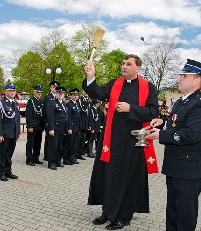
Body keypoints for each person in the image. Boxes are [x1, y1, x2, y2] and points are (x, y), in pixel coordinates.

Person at [83, 54, 159, 230]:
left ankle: (124, 217)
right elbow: (98, 93)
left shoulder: (148, 87)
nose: (124, 66)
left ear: (138, 68)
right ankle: (107, 212)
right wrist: (90, 76)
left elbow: (153, 111)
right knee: (108, 175)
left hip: (133, 141)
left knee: (127, 178)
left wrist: (130, 108)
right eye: (123, 64)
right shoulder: (114, 83)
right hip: (111, 139)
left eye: (128, 64)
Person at [146, 59, 201, 231]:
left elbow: (192, 134)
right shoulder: (182, 101)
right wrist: (162, 122)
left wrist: (162, 134)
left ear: (197, 80)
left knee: (184, 215)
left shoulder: (200, 105)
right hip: (176, 165)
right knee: (173, 212)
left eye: (184, 75)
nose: (179, 78)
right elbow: (176, 123)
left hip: (189, 169)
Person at [0, 84, 20, 181]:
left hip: (13, 133)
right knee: (2, 153)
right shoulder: (1, 103)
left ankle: (8, 171)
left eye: (14, 91)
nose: (12, 92)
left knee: (9, 154)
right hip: (4, 133)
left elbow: (17, 119)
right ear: (5, 92)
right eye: (10, 91)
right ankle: (1, 173)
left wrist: (17, 133)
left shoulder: (16, 104)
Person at [46, 86, 68, 170]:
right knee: (53, 147)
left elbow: (65, 116)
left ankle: (57, 161)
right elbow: (50, 117)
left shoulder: (63, 104)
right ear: (56, 93)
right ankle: (51, 163)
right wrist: (51, 128)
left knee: (59, 147)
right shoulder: (52, 103)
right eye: (59, 93)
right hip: (55, 128)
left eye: (62, 93)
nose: (60, 95)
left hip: (62, 129)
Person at [25, 86, 45, 166]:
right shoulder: (31, 101)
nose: (39, 94)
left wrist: (43, 126)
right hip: (33, 126)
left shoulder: (41, 101)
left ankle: (35, 157)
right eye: (38, 93)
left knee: (38, 143)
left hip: (39, 126)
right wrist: (30, 126)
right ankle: (29, 159)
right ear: (34, 92)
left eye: (40, 93)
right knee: (30, 143)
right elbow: (28, 115)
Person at [42, 80, 60, 161]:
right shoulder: (47, 97)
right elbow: (44, 110)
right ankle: (47, 155)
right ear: (50, 88)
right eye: (54, 87)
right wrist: (46, 121)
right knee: (49, 139)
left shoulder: (58, 97)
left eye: (56, 87)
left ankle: (53, 155)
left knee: (54, 140)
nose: (55, 88)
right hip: (49, 122)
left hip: (57, 123)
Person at [64, 88, 81, 165]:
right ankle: (66, 159)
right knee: (68, 144)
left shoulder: (77, 104)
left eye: (76, 95)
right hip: (71, 127)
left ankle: (72, 157)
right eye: (74, 95)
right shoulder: (69, 105)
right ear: (70, 95)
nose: (75, 96)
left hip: (77, 128)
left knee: (75, 144)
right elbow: (68, 118)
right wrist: (69, 128)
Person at [77, 90, 91, 160]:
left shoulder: (89, 101)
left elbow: (89, 114)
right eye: (85, 91)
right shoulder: (79, 99)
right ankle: (76, 153)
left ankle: (80, 153)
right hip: (80, 122)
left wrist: (89, 124)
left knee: (83, 139)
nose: (86, 92)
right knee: (78, 139)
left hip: (85, 123)